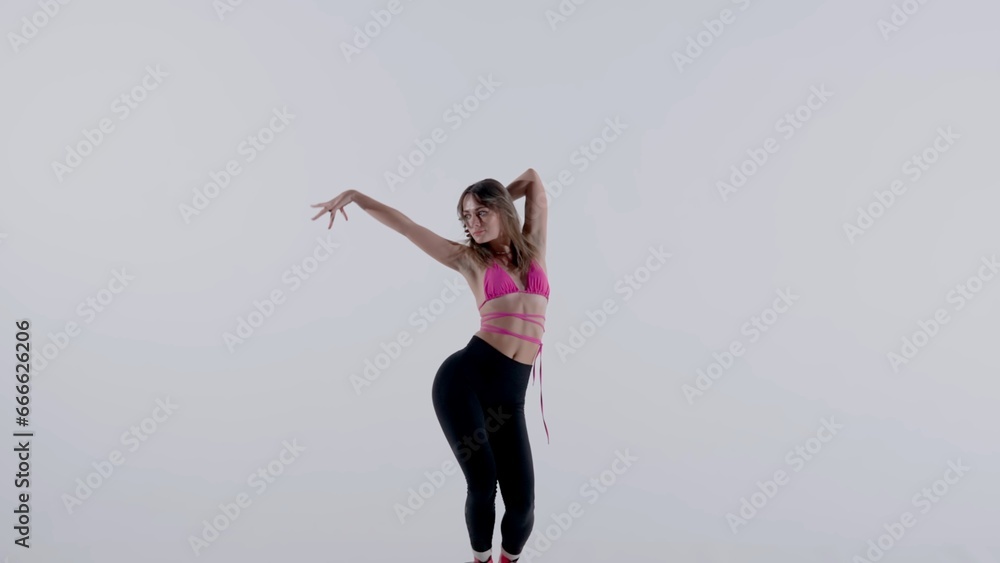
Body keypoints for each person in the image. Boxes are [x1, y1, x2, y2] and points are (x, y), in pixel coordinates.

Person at [311, 168, 550, 563]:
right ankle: (481, 560)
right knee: (483, 484)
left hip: (511, 396)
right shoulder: (469, 259)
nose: (472, 224)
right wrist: (357, 195)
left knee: (523, 505)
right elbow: (407, 227)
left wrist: (497, 200)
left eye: (480, 214)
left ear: (502, 210)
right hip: (464, 382)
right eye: (467, 217)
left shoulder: (535, 248)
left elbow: (534, 182)